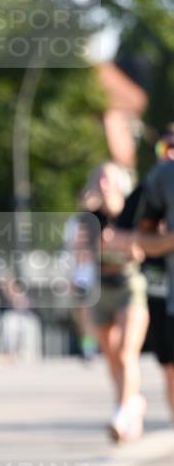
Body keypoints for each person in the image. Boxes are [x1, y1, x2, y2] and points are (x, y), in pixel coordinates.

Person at [104, 129, 174, 419]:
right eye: (165, 147)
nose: (170, 153)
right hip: (158, 291)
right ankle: (126, 404)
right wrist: (165, 240)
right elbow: (125, 236)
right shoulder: (159, 182)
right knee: (169, 368)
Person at [78, 161, 149, 441]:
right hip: (100, 287)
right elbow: (81, 255)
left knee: (126, 352)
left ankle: (121, 413)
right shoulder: (90, 216)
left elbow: (142, 251)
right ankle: (132, 402)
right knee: (111, 356)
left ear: (120, 184)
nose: (104, 185)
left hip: (128, 284)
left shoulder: (133, 211)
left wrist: (119, 242)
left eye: (109, 179)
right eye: (100, 179)